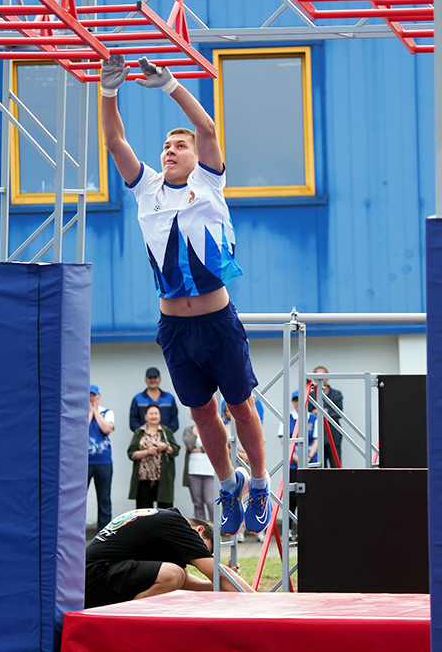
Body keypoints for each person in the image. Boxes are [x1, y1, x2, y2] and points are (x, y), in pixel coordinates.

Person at [101, 53, 270, 537]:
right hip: (175, 327)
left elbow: (209, 128)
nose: (170, 151)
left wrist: (171, 84)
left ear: (197, 157)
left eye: (180, 145)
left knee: (240, 405)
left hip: (217, 321)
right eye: (166, 146)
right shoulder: (146, 188)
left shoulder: (209, 181)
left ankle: (257, 481)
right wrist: (108, 91)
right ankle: (227, 480)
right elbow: (114, 140)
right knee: (201, 411)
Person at [84, 507, 255, 608]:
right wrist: (258, 601)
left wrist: (222, 586)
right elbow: (216, 572)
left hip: (89, 578)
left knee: (175, 574)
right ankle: (127, 627)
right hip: (96, 574)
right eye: (202, 548)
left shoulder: (164, 525)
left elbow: (186, 581)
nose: (193, 558)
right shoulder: (177, 524)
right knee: (172, 573)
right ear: (199, 530)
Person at [279, 390, 319, 539]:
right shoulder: (287, 419)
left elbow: (316, 440)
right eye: (295, 400)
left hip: (310, 463)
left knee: (308, 497)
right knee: (291, 497)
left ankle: (306, 529)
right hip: (293, 464)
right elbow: (284, 440)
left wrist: (308, 457)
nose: (297, 403)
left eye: (300, 400)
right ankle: (288, 529)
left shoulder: (313, 418)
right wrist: (295, 458)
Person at [128, 404, 180, 509]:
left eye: (156, 413)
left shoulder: (166, 431)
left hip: (163, 478)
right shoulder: (139, 432)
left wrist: (165, 447)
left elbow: (175, 450)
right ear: (145, 416)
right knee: (144, 511)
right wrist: (147, 452)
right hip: (143, 478)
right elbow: (131, 453)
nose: (154, 416)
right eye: (151, 414)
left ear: (160, 416)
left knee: (165, 510)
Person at [87, 384, 115, 530]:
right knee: (79, 499)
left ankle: (104, 531)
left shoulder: (107, 412)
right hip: (84, 463)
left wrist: (96, 411)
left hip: (104, 462)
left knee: (104, 498)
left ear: (99, 396)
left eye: (94, 395)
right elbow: (82, 428)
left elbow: (106, 428)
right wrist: (90, 412)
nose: (91, 398)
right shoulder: (81, 412)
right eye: (89, 395)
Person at [128, 367, 179, 433]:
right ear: (146, 380)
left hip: (165, 439)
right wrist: (144, 433)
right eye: (150, 378)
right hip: (144, 438)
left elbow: (174, 420)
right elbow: (133, 421)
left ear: (159, 379)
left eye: (155, 377)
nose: (152, 380)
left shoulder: (169, 398)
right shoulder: (137, 399)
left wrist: (166, 434)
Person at [311, 366, 344, 468]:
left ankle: (338, 484)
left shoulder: (336, 394)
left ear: (328, 377)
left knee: (336, 466)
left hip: (334, 435)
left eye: (324, 376)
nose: (321, 379)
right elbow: (308, 414)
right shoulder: (311, 395)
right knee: (321, 467)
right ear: (314, 378)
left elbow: (338, 413)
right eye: (318, 376)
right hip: (317, 436)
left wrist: (321, 411)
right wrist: (326, 411)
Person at [182, 422, 215, 522]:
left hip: (209, 471)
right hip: (193, 470)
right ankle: (201, 530)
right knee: (197, 503)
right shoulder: (189, 429)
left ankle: (215, 531)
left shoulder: (212, 427)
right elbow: (189, 444)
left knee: (210, 502)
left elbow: (214, 445)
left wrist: (199, 449)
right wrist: (196, 430)